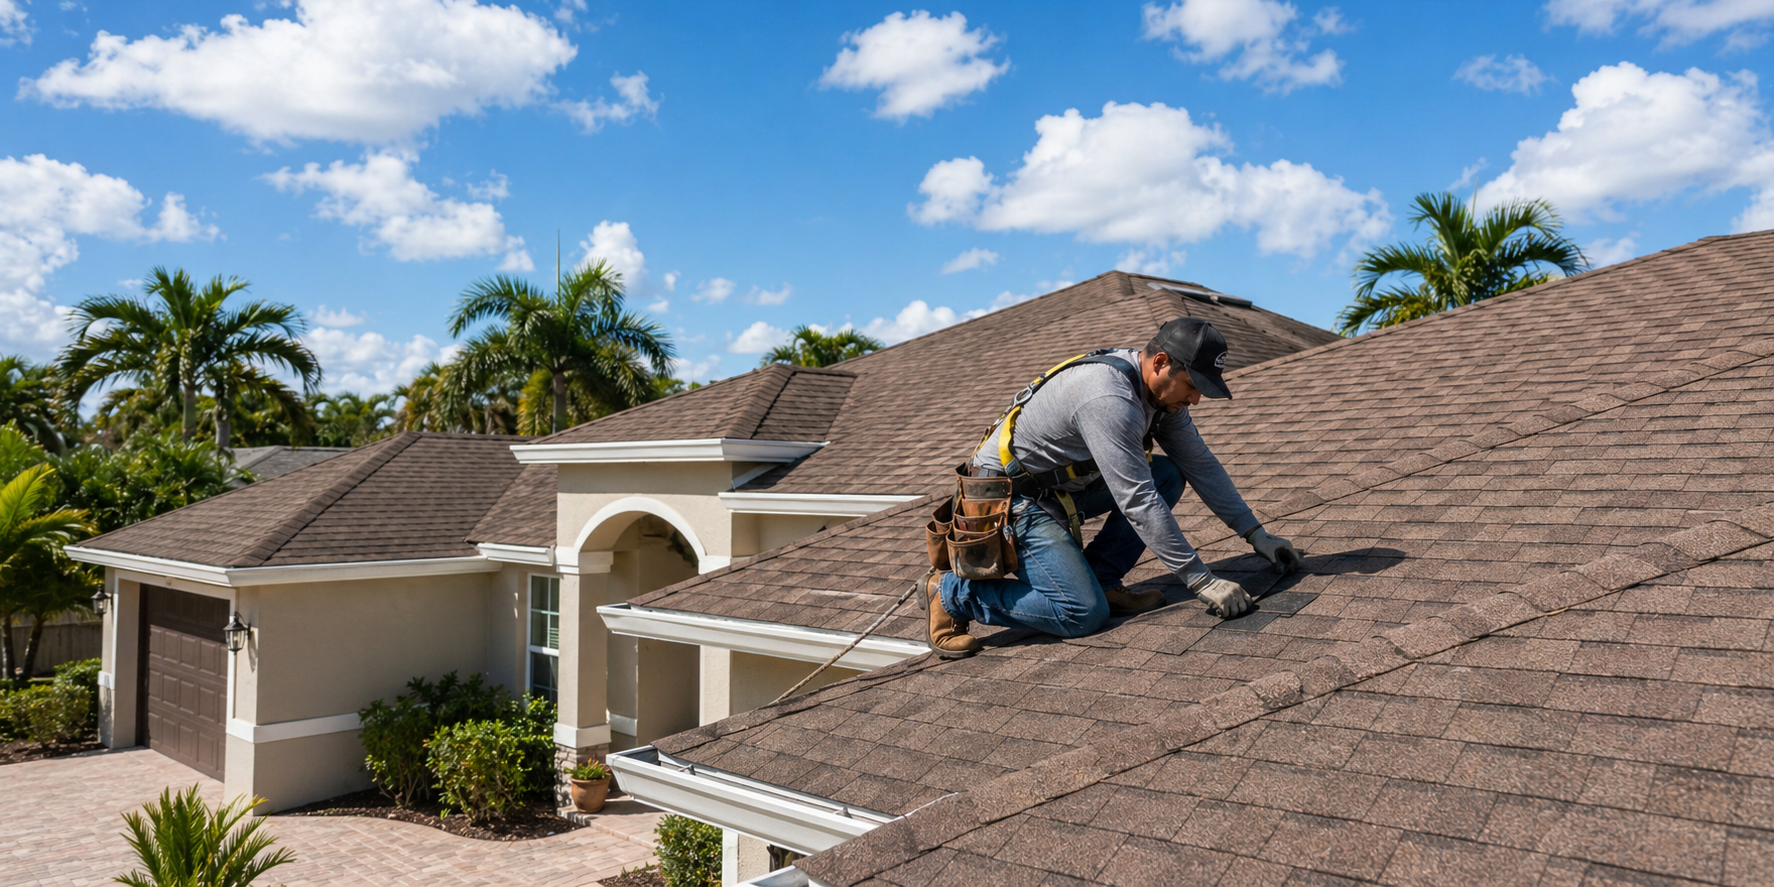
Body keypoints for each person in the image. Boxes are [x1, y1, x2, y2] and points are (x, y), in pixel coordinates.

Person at [924, 317, 1300, 658]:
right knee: (1081, 614)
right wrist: (1201, 581)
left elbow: (1200, 464)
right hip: (1011, 500)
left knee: (1167, 473)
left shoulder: (1160, 397)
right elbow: (1137, 500)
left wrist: (1256, 534)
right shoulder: (1109, 397)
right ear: (1160, 363)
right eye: (1192, 385)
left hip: (1057, 487)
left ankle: (1102, 580)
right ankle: (954, 594)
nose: (1196, 399)